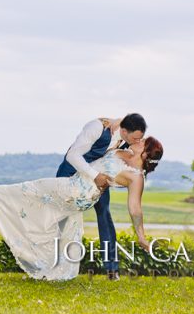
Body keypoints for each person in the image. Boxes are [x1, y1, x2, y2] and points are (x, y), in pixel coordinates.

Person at [0, 136, 163, 281]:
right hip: (76, 186)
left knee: (32, 188)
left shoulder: (136, 177)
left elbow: (135, 209)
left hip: (77, 191)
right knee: (59, 225)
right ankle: (51, 268)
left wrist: (141, 236)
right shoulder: (125, 151)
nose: (139, 140)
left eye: (143, 142)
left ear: (144, 153)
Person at [56, 114, 147, 280]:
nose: (136, 143)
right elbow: (73, 155)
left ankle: (112, 270)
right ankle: (52, 262)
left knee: (104, 215)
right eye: (134, 138)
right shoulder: (97, 128)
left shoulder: (129, 137)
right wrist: (94, 175)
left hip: (98, 181)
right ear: (125, 131)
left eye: (139, 139)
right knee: (61, 218)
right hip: (71, 174)